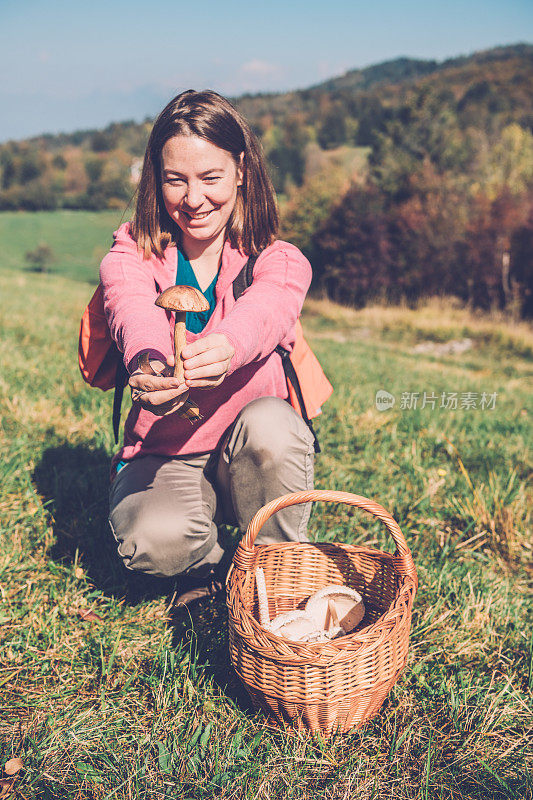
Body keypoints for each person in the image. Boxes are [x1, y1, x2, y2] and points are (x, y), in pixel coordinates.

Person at [100, 89, 316, 603]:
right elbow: (129, 305)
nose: (193, 199)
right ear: (156, 178)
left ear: (241, 171)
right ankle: (209, 566)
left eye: (210, 178)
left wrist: (227, 345)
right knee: (151, 541)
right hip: (166, 451)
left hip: (249, 450)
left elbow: (270, 308)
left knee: (273, 426)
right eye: (176, 179)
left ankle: (275, 570)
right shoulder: (132, 250)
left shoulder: (275, 258)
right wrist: (150, 363)